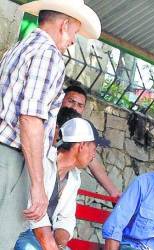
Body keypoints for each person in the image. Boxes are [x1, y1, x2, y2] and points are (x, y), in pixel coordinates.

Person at [0, 1, 101, 248]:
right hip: (11, 161)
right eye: (75, 33)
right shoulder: (49, 55)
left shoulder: (19, 48)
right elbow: (30, 118)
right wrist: (37, 186)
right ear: (64, 25)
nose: (73, 41)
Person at [15, 117, 109, 250]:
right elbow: (34, 214)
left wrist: (60, 244)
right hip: (21, 231)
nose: (94, 155)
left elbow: (67, 218)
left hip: (45, 238)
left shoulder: (74, 177)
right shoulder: (43, 162)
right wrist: (51, 245)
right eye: (94, 148)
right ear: (81, 145)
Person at [62, 82, 121, 197]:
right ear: (61, 100)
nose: (74, 108)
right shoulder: (49, 118)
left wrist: (114, 192)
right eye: (71, 101)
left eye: (80, 105)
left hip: (65, 184)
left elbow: (93, 162)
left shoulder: (83, 130)